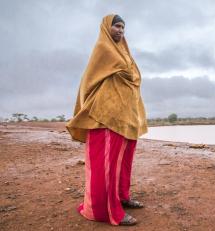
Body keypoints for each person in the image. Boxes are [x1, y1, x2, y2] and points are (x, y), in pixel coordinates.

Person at [66, 14, 148, 226]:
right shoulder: (104, 51)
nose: (120, 30)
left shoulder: (125, 53)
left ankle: (121, 198)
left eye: (123, 27)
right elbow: (88, 83)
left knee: (123, 163)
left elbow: (133, 79)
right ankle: (104, 211)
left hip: (124, 118)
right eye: (116, 26)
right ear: (106, 28)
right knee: (106, 166)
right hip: (104, 118)